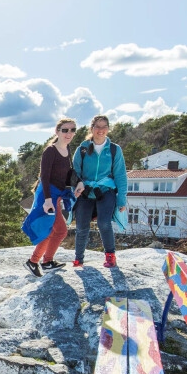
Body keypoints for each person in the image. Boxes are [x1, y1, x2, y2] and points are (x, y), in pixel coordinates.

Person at [22, 118, 79, 277]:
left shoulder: (67, 150)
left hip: (56, 196)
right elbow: (44, 177)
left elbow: (67, 175)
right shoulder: (50, 151)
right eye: (65, 130)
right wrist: (48, 200)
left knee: (52, 230)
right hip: (47, 196)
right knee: (60, 231)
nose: (69, 133)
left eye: (72, 130)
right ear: (57, 131)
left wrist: (79, 184)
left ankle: (37, 262)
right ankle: (43, 262)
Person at [71, 115, 128, 268]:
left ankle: (110, 256)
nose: (101, 130)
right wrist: (76, 188)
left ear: (108, 129)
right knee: (82, 226)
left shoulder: (114, 149)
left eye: (104, 127)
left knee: (104, 223)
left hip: (105, 191)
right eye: (98, 127)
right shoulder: (83, 148)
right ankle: (78, 259)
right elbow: (75, 171)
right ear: (92, 128)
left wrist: (122, 200)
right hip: (85, 191)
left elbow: (120, 175)